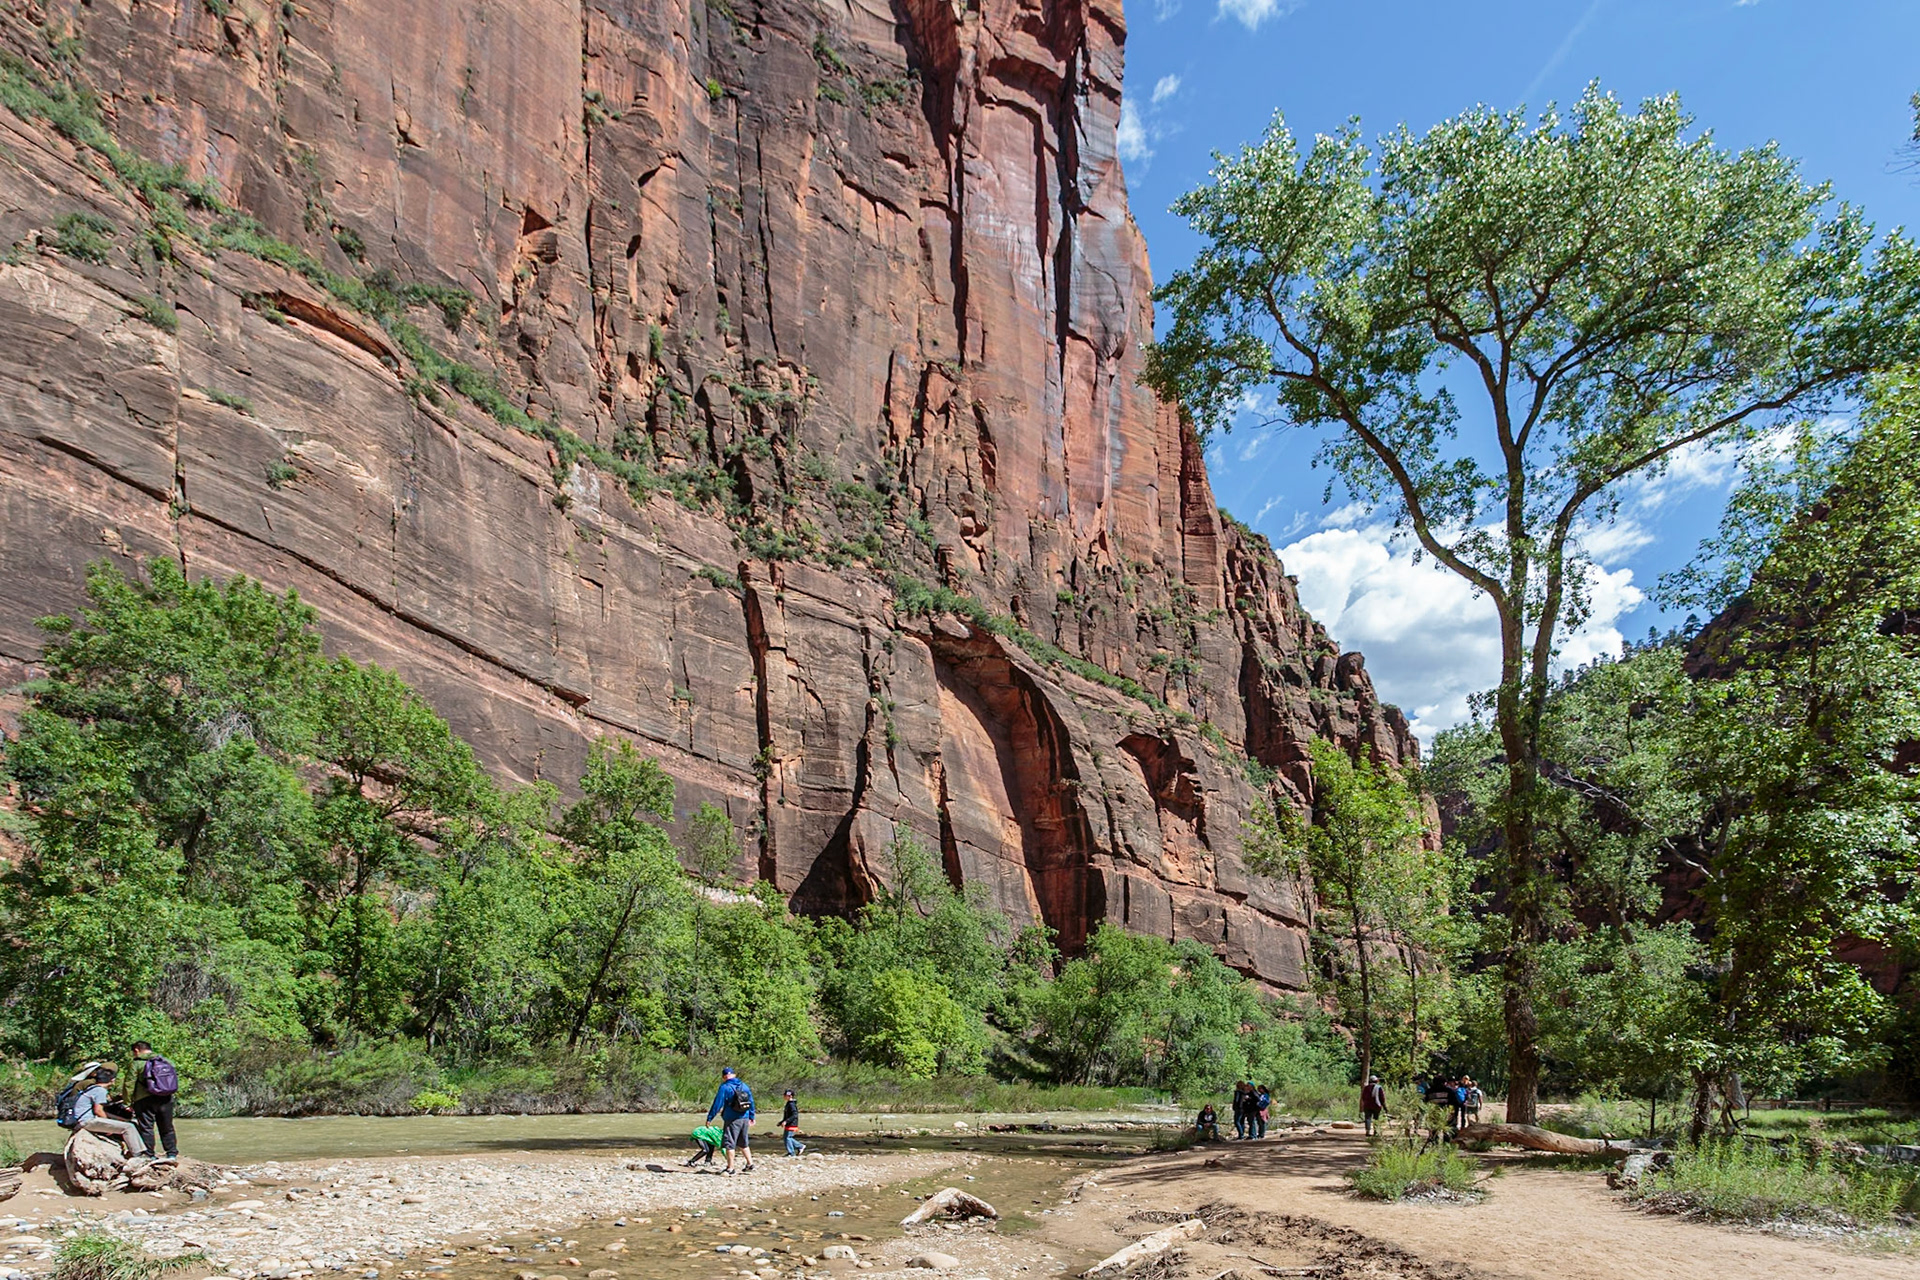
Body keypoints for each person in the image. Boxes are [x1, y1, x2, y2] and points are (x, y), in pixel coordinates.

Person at [63, 1065, 149, 1163]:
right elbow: (98, 1111)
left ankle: (139, 1151)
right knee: (128, 1127)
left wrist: (120, 1120)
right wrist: (109, 1126)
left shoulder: (92, 1088)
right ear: (112, 1080)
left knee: (129, 1124)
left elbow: (101, 1111)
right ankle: (137, 1155)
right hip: (87, 1121)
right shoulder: (100, 1091)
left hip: (82, 1120)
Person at [129, 1042, 180, 1163]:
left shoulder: (136, 1064)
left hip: (144, 1099)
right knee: (167, 1127)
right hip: (166, 1098)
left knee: (146, 1128)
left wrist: (127, 1102)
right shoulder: (165, 1061)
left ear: (136, 1050)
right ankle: (171, 1153)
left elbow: (129, 1084)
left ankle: (150, 1154)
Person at [705, 1066, 755, 1174]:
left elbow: (717, 1104)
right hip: (745, 1117)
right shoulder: (744, 1085)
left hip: (732, 1119)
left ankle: (730, 1168)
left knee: (729, 1143)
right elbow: (751, 1101)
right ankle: (750, 1164)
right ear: (734, 1075)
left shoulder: (725, 1087)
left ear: (724, 1077)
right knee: (743, 1142)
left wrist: (710, 1118)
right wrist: (752, 1116)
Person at [780, 1089, 806, 1157]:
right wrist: (782, 1121)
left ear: (790, 1096)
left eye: (786, 1095)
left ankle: (793, 1152)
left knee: (788, 1137)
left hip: (792, 1124)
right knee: (786, 1137)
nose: (784, 1096)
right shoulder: (789, 1103)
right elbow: (787, 1115)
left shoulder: (792, 1104)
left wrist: (786, 1121)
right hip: (789, 1123)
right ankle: (794, 1149)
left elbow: (794, 1115)